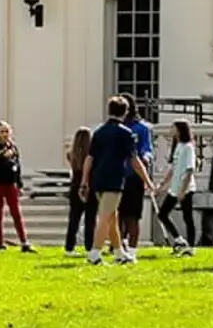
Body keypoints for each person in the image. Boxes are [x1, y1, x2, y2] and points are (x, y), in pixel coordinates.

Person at [86, 96, 146, 266]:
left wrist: (84, 180)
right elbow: (134, 161)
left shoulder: (99, 132)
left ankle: (120, 252)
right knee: (105, 217)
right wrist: (147, 181)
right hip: (114, 180)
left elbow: (89, 158)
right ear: (125, 112)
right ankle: (95, 253)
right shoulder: (125, 133)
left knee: (112, 216)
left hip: (98, 178)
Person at [153, 119, 199, 254]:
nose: (170, 129)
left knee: (187, 217)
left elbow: (190, 170)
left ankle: (191, 247)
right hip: (174, 188)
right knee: (162, 214)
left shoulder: (188, 147)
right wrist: (162, 185)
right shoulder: (177, 146)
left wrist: (183, 190)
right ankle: (179, 239)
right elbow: (173, 169)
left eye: (173, 127)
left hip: (186, 188)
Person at [0, 121, 31, 251]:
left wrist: (19, 184)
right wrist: (3, 158)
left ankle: (24, 241)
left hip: (11, 184)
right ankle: (0, 242)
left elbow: (18, 167)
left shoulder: (13, 148)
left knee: (16, 212)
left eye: (7, 131)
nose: (5, 135)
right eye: (2, 132)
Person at [119, 97, 155, 254]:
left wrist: (146, 158)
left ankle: (132, 250)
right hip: (117, 175)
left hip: (134, 177)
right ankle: (118, 245)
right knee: (117, 215)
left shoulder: (141, 128)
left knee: (132, 216)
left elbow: (147, 149)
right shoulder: (116, 128)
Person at [64, 125, 96, 254]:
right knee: (90, 219)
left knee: (74, 218)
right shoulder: (92, 154)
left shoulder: (71, 154)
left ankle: (69, 247)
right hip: (90, 185)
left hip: (74, 186)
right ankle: (89, 246)